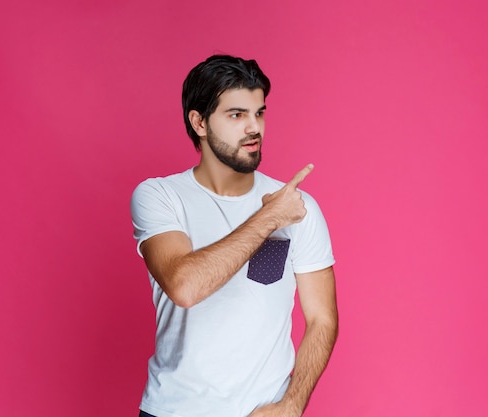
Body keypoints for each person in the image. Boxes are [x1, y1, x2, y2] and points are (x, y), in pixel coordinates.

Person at [130, 54, 338, 417]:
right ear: (199, 122)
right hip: (172, 411)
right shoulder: (160, 197)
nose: (253, 127)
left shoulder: (298, 207)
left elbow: (322, 318)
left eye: (259, 113)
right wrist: (269, 217)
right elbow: (185, 286)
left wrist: (292, 405)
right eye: (236, 115)